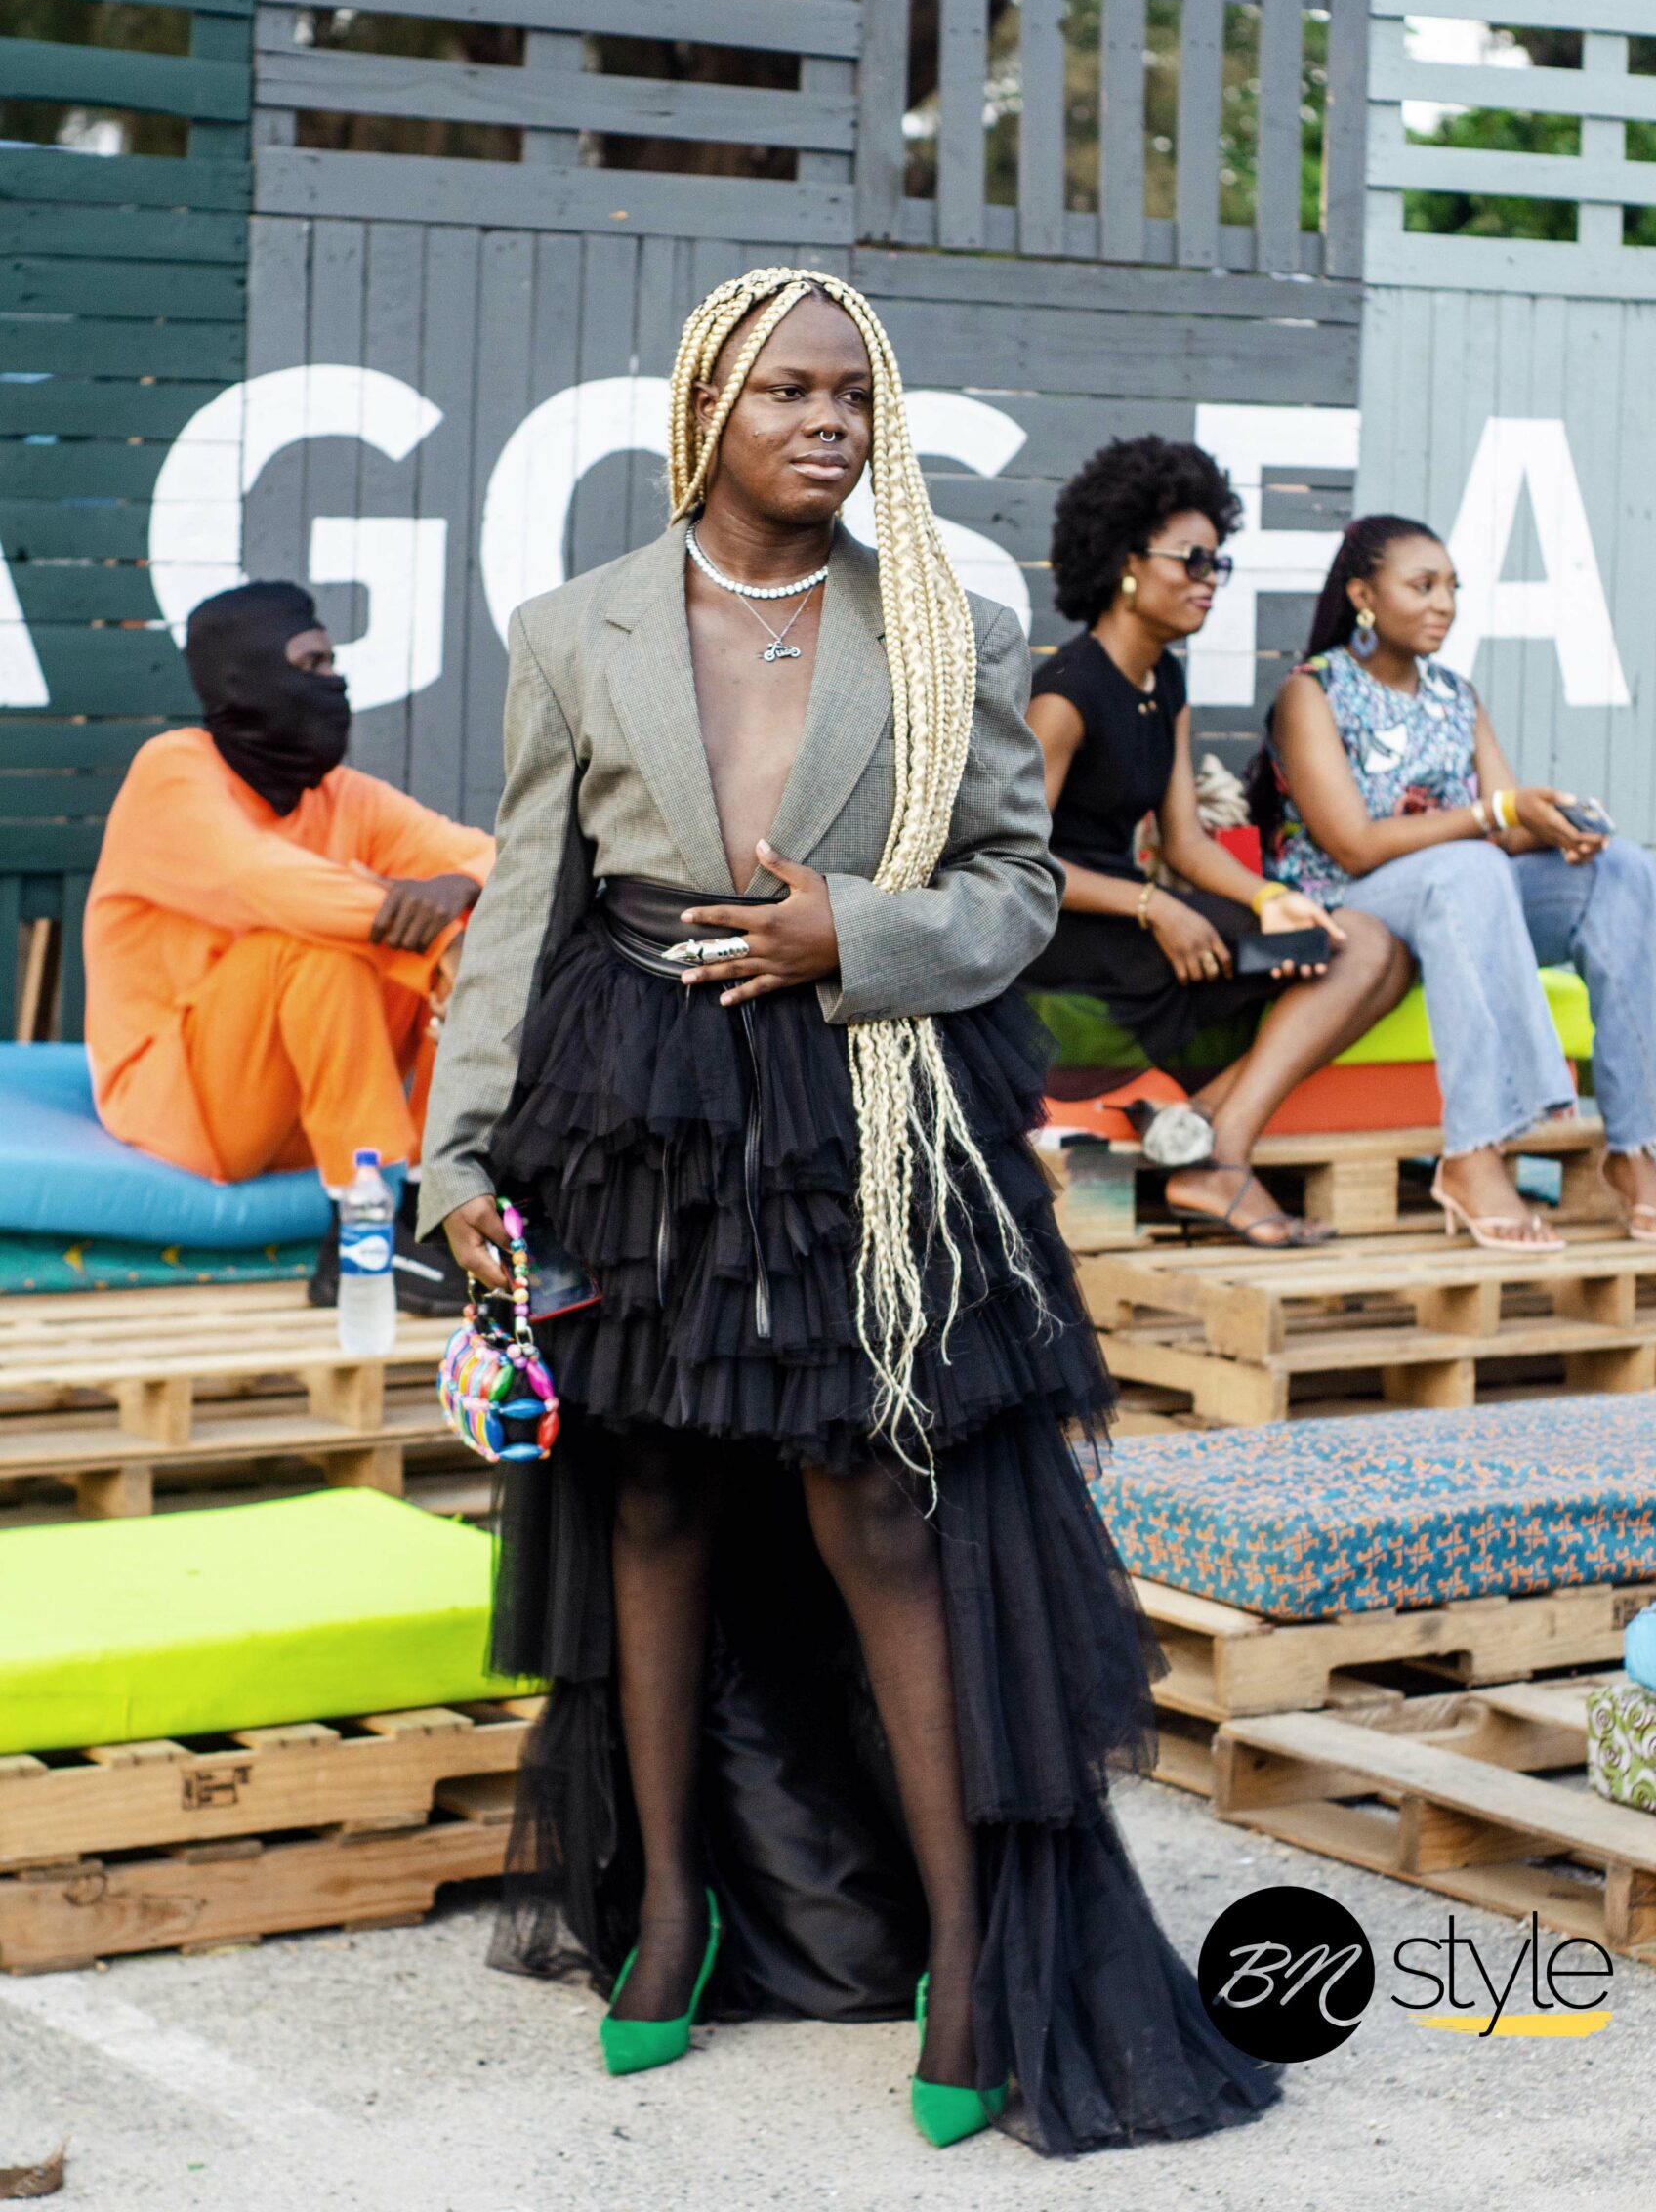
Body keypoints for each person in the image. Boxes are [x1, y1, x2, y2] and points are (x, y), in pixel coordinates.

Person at [422, 271, 1278, 2154]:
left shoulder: (947, 618)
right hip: (631, 1098)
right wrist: (458, 1155)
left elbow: (1015, 888)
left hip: (861, 1103)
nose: (826, 421)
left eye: (851, 393)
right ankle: (670, 1911)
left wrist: (855, 934)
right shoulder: (575, 628)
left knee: (883, 1504)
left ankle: (964, 1957)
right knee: (651, 1494)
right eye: (784, 391)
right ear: (703, 412)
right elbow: (520, 908)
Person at [1021, 436, 1407, 1246]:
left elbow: (1188, 844)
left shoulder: (1164, 677)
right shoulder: (1067, 692)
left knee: (1371, 948)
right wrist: (1157, 907)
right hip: (1070, 932)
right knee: (1360, 948)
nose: (1208, 580)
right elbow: (1014, 861)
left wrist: (1270, 898)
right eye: (1192, 560)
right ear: (1126, 561)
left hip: (1136, 915)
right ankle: (1219, 1159)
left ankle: (1198, 1131)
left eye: (1217, 563)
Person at [84, 580, 494, 1310]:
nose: (335, 682)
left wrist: (460, 888)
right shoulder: (172, 772)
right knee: (316, 944)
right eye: (311, 665)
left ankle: (428, 1204)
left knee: (475, 943)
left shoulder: (340, 795)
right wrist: (437, 939)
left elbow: (496, 858)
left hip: (307, 1114)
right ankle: (358, 1246)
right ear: (244, 681)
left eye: (333, 662)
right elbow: (264, 882)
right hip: (179, 1107)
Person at [1252, 513, 1656, 1251]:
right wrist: (1493, 815)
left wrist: (1552, 822)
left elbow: (1503, 825)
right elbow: (1353, 845)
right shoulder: (1312, 692)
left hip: (1463, 895)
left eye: (1452, 588)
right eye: (1423, 586)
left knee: (1622, 868)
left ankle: (1635, 1148)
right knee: (1471, 863)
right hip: (1350, 906)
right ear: (1363, 596)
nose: (1444, 603)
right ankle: (1474, 1151)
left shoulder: (1455, 694)